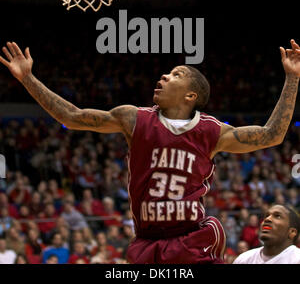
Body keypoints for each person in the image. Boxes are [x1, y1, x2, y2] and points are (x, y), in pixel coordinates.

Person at [1, 40, 300, 264]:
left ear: (190, 95)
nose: (165, 76)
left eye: (176, 75)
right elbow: (73, 116)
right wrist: (27, 78)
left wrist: (292, 79)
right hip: (146, 240)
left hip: (191, 238)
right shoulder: (134, 118)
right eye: (167, 73)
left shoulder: (212, 131)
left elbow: (271, 136)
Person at [233, 204, 300, 264]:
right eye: (267, 215)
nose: (267, 219)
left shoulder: (297, 259)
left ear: (292, 232)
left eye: (277, 216)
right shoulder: (243, 259)